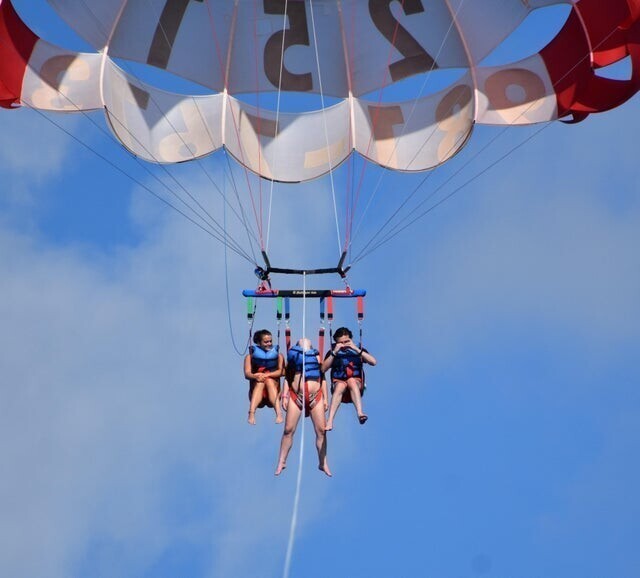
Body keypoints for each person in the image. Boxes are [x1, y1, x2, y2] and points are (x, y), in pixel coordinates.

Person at [275, 338, 331, 477]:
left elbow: (322, 379)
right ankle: (282, 461)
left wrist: (325, 399)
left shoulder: (316, 358)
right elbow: (288, 378)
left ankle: (323, 462)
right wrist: (285, 396)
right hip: (296, 395)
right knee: (288, 430)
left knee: (321, 431)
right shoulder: (294, 358)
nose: (304, 344)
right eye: (301, 343)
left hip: (315, 396)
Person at [321, 327, 377, 430]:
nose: (344, 345)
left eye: (346, 341)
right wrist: (335, 352)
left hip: (356, 384)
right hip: (340, 384)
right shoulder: (333, 352)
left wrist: (356, 349)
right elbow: (323, 369)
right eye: (341, 343)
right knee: (340, 386)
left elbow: (373, 362)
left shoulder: (358, 349)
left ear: (351, 339)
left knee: (351, 381)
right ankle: (330, 421)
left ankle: (360, 413)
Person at [244, 329, 284, 425]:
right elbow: (247, 374)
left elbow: (282, 372)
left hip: (274, 393)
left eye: (270, 341)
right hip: (258, 393)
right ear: (259, 342)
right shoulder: (249, 357)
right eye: (266, 342)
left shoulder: (279, 356)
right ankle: (252, 413)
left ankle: (279, 413)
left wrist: (267, 374)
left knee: (269, 381)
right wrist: (255, 376)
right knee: (260, 381)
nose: (269, 343)